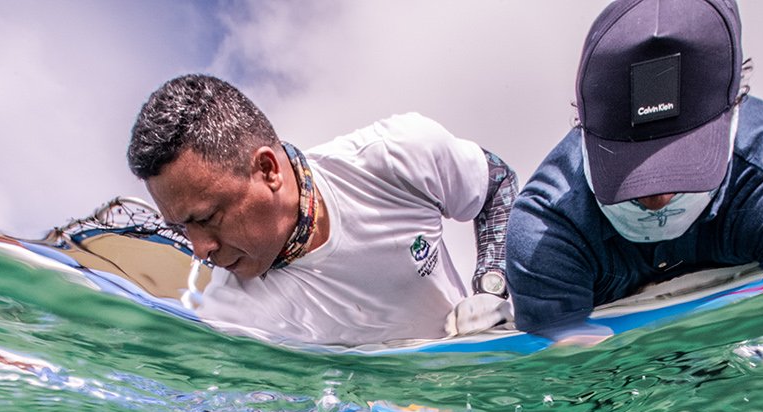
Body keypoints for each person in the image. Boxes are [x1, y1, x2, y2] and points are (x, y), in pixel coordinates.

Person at [505, 0, 763, 334]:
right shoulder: (546, 230)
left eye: (684, 158)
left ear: (736, 104)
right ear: (581, 125)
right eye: (627, 161)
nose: (657, 199)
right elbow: (573, 377)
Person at [127, 74, 517, 347]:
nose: (199, 249)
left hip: (486, 388)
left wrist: (490, 288)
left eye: (207, 218)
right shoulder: (227, 319)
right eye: (181, 228)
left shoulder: (395, 155)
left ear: (267, 170)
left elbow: (495, 183)